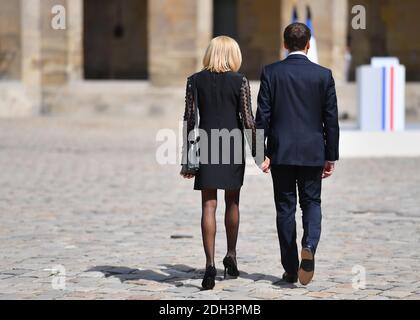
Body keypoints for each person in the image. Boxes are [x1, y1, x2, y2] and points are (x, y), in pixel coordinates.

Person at [256, 23, 340, 285]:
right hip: (312, 152)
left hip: (280, 152)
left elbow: (262, 118)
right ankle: (310, 246)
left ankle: (291, 268)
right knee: (311, 203)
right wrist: (331, 155)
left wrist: (260, 154)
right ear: (308, 45)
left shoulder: (271, 72)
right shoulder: (323, 75)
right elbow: (331, 120)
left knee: (285, 208)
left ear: (284, 44)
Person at [180, 36, 258, 290]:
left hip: (207, 144)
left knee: (208, 205)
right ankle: (231, 255)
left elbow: (190, 120)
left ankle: (210, 264)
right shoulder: (240, 81)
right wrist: (259, 153)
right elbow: (248, 119)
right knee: (232, 202)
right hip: (232, 144)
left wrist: (187, 160)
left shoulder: (195, 81)